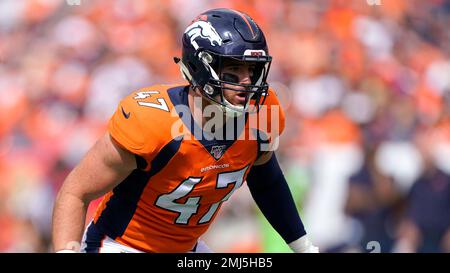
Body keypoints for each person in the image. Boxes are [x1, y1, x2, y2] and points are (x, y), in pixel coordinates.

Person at [52, 8, 318, 253]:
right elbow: (76, 192)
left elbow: (267, 181)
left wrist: (304, 247)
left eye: (254, 70)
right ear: (198, 69)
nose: (247, 83)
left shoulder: (263, 112)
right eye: (233, 72)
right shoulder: (152, 121)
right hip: (122, 245)